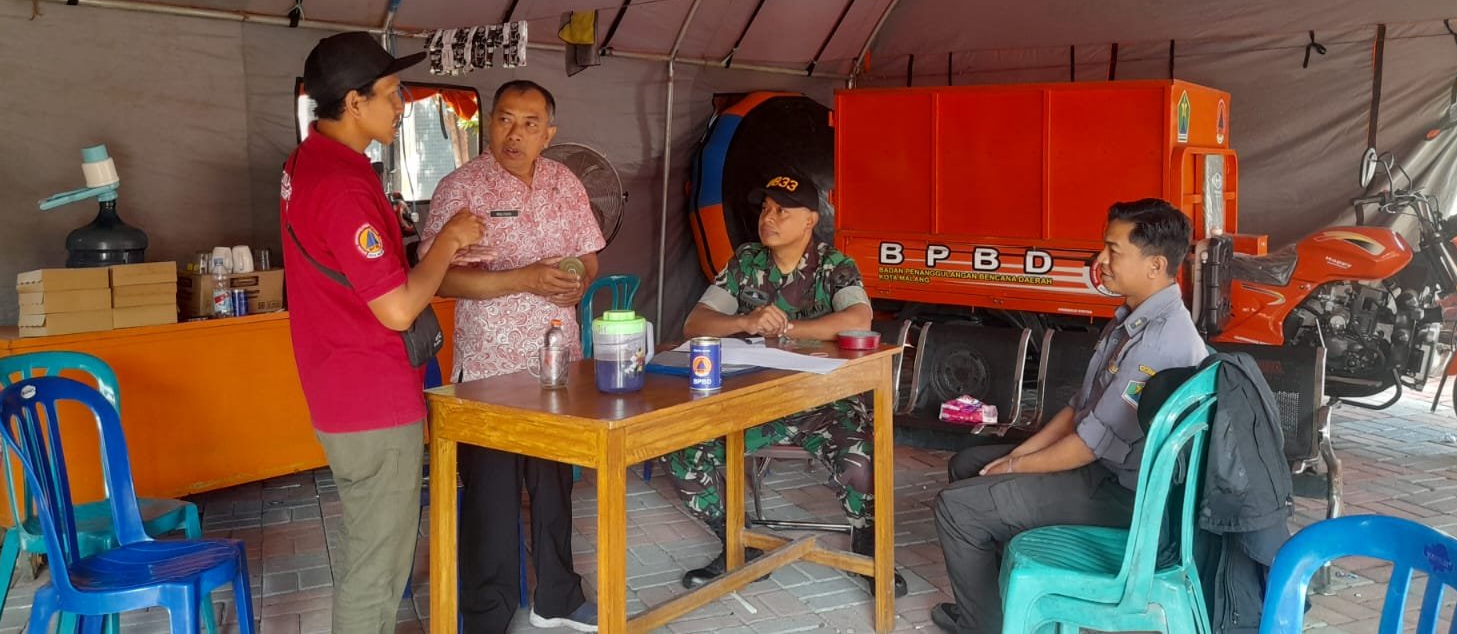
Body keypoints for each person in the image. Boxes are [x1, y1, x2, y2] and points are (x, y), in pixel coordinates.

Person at [280, 31, 485, 634]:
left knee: (366, 545)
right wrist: (447, 242)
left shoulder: (306, 162)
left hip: (337, 386)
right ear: (353, 102)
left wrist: (418, 250)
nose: (402, 105)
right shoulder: (341, 185)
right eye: (392, 93)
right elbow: (396, 310)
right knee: (378, 567)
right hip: (371, 397)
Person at [929, 198, 1210, 634]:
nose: (1101, 260)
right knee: (968, 464)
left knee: (957, 509)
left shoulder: (1158, 343)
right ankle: (1003, 608)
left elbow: (1086, 447)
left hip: (1126, 497)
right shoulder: (1133, 320)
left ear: (1155, 265)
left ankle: (984, 626)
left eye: (1113, 250)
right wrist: (1016, 457)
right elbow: (1078, 408)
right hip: (1104, 469)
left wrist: (1014, 468)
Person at [664, 171, 906, 596]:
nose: (768, 218)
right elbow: (695, 323)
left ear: (810, 219)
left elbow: (859, 318)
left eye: (782, 211)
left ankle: (869, 548)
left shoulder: (834, 266)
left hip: (826, 404)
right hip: (755, 404)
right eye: (765, 209)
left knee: (863, 460)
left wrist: (790, 327)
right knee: (682, 450)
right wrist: (744, 321)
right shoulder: (746, 262)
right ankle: (739, 543)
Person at [422, 80, 605, 634]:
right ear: (488, 124)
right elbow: (439, 279)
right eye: (504, 119)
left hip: (557, 365)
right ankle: (487, 612)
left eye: (530, 123)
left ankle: (558, 598)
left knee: (554, 484)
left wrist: (578, 281)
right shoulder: (461, 188)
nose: (515, 134)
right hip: (489, 370)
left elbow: (589, 256)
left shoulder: (565, 182)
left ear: (548, 133)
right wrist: (522, 279)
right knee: (492, 495)